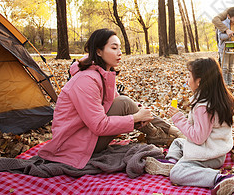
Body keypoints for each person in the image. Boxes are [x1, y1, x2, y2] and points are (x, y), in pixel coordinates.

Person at [38, 28, 180, 169]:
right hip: (74, 144)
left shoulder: (102, 74)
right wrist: (135, 118)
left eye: (120, 48)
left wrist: (139, 113)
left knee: (127, 103)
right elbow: (99, 125)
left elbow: (118, 103)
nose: (119, 53)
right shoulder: (85, 80)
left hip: (87, 135)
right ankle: (162, 134)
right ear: (99, 51)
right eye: (114, 48)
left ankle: (172, 131)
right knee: (126, 104)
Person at [144, 58, 234, 195]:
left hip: (209, 155)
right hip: (218, 148)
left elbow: (198, 138)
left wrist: (178, 118)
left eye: (189, 76)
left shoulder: (203, 107)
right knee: (178, 142)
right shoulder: (220, 98)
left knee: (176, 174)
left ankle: (219, 178)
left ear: (200, 81)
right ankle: (171, 162)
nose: (187, 80)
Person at [217, 7, 234, 85]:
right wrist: (230, 35)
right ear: (228, 16)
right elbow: (220, 37)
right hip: (224, 48)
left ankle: (229, 83)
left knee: (231, 68)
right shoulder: (223, 24)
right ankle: (224, 84)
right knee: (224, 68)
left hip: (233, 48)